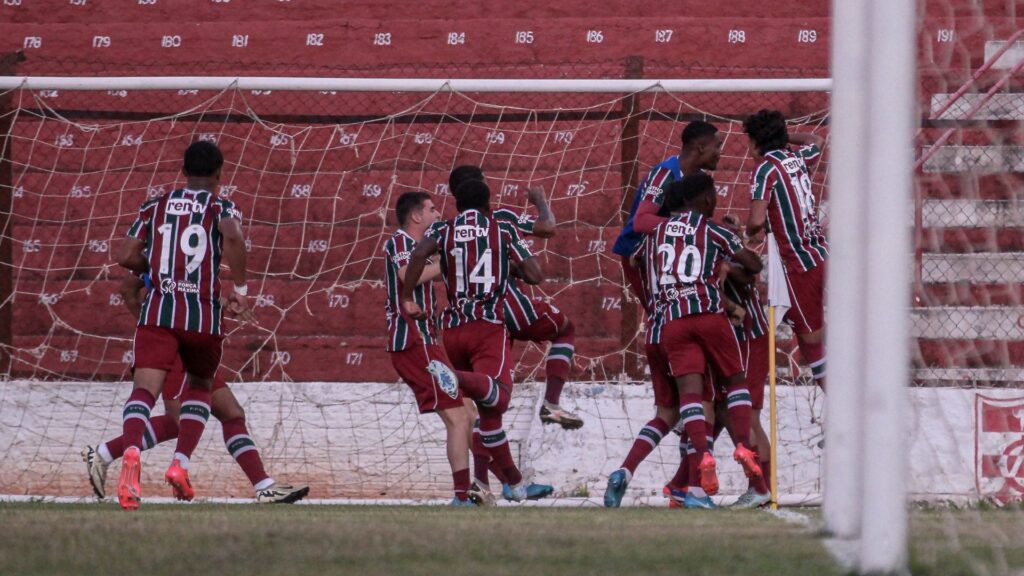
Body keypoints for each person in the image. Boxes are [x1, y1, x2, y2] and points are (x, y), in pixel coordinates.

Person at [81, 275, 308, 504]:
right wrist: (153, 326)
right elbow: (129, 287)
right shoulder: (166, 254)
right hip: (176, 345)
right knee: (180, 421)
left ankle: (263, 485)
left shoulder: (197, 255)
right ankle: (111, 455)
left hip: (196, 342)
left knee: (231, 413)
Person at [114, 140, 250, 510]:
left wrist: (156, 269)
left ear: (183, 171)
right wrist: (240, 289)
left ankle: (130, 452)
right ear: (220, 173)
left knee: (144, 391)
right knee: (201, 385)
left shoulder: (154, 205)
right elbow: (234, 236)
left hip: (158, 311)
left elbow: (125, 254)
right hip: (202, 316)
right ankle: (180, 463)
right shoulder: (221, 205)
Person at [402, 179, 553, 502]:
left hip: (453, 327)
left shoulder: (444, 230)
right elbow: (537, 273)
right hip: (488, 325)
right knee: (497, 398)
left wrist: (406, 297)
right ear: (488, 200)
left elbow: (417, 256)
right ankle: (454, 378)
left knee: (484, 415)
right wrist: (512, 268)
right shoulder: (502, 227)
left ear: (456, 201)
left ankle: (506, 484)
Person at [635, 174, 764, 509]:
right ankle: (745, 457)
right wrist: (732, 253)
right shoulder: (713, 230)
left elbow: (637, 260)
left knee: (691, 397)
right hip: (713, 317)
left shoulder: (656, 232)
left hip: (671, 323)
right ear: (705, 199)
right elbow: (753, 264)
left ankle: (701, 461)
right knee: (737, 388)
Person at [383, 191, 490, 506]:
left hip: (428, 341)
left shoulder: (424, 247)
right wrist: (448, 261)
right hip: (412, 341)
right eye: (431, 209)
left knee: (467, 414)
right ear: (416, 216)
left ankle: (497, 482)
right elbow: (407, 274)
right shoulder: (400, 243)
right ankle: (463, 496)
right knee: (458, 417)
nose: (436, 214)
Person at [743, 109, 827, 390]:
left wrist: (746, 233)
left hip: (797, 266)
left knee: (812, 342)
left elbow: (756, 220)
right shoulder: (798, 158)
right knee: (807, 336)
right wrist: (782, 137)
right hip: (819, 253)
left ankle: (845, 416)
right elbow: (815, 138)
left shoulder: (765, 168)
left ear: (755, 142)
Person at [612, 121, 724, 309]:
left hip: (668, 254)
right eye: (718, 146)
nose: (720, 152)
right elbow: (641, 221)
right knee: (662, 314)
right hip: (639, 254)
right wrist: (691, 227)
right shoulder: (665, 174)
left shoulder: (696, 178)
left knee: (683, 313)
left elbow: (691, 222)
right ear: (701, 147)